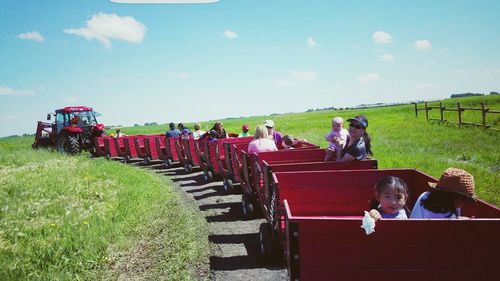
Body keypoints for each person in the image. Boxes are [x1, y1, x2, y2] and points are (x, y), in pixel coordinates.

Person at [410, 168, 476, 219]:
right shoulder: (445, 215)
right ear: (454, 197)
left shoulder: (425, 196)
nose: (464, 203)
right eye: (464, 199)